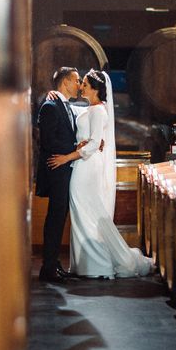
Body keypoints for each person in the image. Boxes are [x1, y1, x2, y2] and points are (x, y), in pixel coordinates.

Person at [48, 69, 155, 278]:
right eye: (81, 83)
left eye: (85, 84)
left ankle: (97, 266)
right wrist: (51, 94)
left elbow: (96, 142)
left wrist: (67, 157)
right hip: (82, 164)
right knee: (82, 212)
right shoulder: (88, 109)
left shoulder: (98, 111)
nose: (81, 86)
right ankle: (84, 264)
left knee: (87, 211)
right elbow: (69, 112)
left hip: (86, 166)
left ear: (96, 89)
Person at [35, 66, 82, 282]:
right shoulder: (50, 106)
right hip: (56, 169)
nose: (79, 85)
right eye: (76, 80)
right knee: (55, 217)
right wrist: (75, 148)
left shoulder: (65, 105)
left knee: (59, 216)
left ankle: (53, 264)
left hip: (64, 169)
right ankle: (48, 268)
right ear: (65, 82)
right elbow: (48, 141)